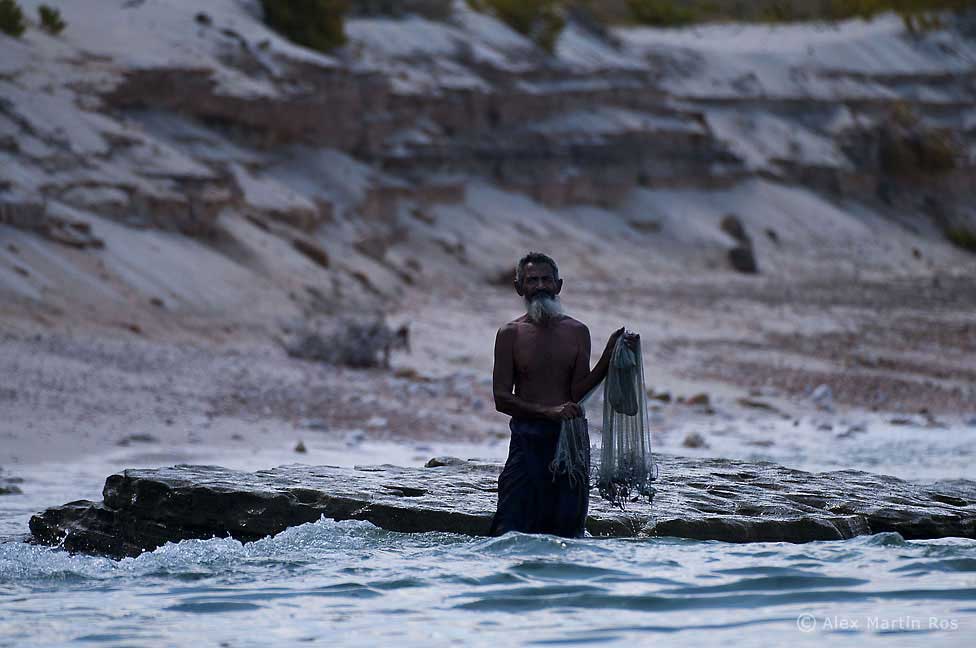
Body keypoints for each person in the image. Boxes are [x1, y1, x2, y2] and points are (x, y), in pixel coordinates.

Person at [488, 252, 638, 538]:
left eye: (547, 279)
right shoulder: (510, 334)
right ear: (519, 287)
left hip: (571, 442)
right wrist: (549, 412)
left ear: (559, 285)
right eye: (532, 280)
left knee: (569, 531)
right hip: (527, 439)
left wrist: (611, 353)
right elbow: (501, 398)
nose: (540, 286)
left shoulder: (577, 331)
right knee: (510, 527)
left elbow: (577, 391)